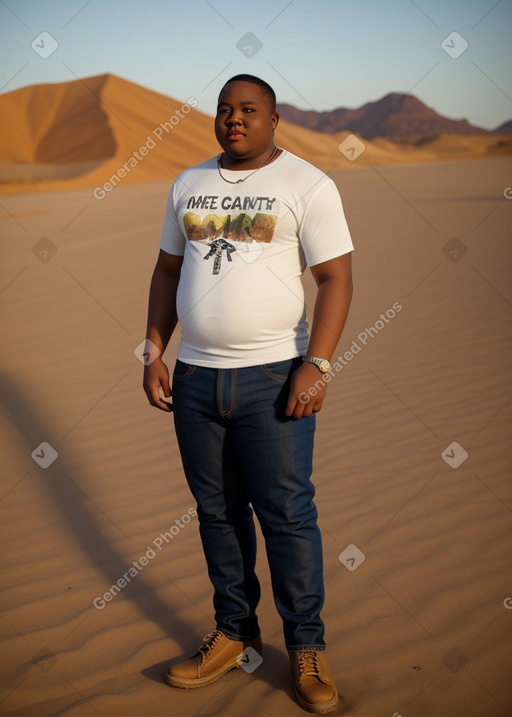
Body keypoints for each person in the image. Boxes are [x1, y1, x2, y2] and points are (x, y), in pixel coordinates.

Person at [143, 73, 353, 714]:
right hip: (196, 380)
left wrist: (317, 363)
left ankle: (306, 648)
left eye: (249, 110)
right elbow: (167, 269)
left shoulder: (308, 184)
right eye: (226, 110)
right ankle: (234, 633)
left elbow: (336, 277)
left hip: (274, 380)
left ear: (273, 118)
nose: (235, 119)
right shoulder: (188, 183)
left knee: (288, 517)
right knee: (217, 514)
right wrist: (154, 350)